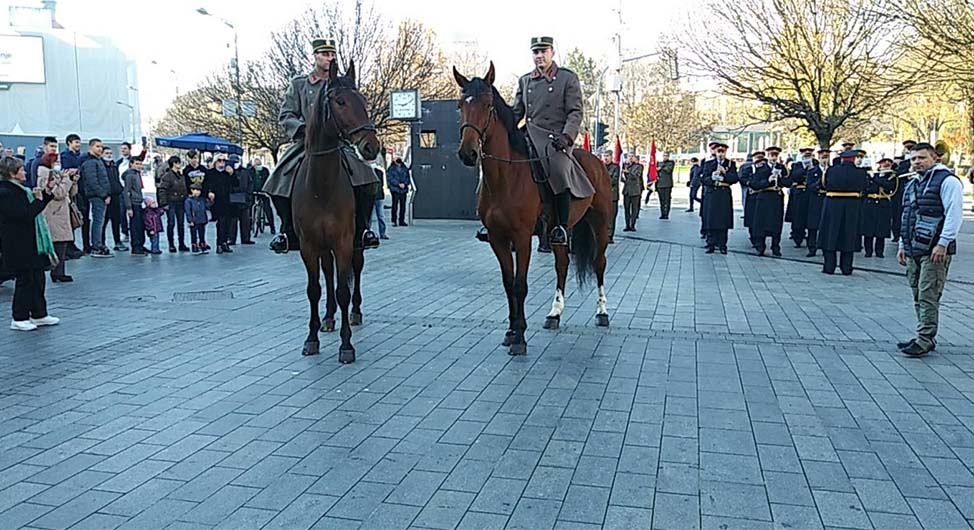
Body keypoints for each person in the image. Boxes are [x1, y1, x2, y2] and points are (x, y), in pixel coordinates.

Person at [264, 38, 380, 253]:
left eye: (332, 54)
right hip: (306, 144)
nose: (329, 58)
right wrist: (301, 129)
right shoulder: (299, 84)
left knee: (369, 179)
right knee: (277, 181)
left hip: (339, 143)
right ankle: (287, 230)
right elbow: (286, 114)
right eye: (325, 54)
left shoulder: (341, 84)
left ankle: (363, 229)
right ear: (315, 56)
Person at [509, 36, 593, 247]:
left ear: (552, 52)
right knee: (502, 162)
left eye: (543, 51)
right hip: (529, 134)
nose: (539, 56)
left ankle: (562, 226)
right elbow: (516, 112)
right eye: (535, 52)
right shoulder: (525, 80)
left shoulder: (567, 78)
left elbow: (575, 111)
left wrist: (566, 137)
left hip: (556, 138)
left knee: (559, 170)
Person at [896, 142, 964, 357]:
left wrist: (943, 242)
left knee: (928, 293)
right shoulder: (913, 182)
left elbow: (954, 214)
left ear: (935, 158)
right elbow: (907, 215)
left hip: (934, 248)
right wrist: (901, 245)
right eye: (914, 159)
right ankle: (924, 334)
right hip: (913, 247)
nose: (917, 162)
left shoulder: (948, 181)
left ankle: (925, 338)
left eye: (922, 158)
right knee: (917, 291)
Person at [0, 157, 60, 331]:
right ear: (12, 173)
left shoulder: (22, 190)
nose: (25, 172)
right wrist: (39, 201)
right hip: (18, 243)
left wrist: (46, 194)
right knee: (25, 280)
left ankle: (39, 313)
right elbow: (25, 214)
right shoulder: (6, 192)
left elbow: (33, 208)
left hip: (33, 242)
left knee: (38, 278)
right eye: (21, 170)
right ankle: (19, 317)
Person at [819, 149, 867, 275]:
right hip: (852, 205)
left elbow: (823, 184)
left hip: (833, 204)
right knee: (849, 235)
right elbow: (865, 187)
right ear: (854, 159)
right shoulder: (861, 172)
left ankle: (829, 266)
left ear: (841, 159)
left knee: (830, 234)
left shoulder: (831, 170)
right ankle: (846, 267)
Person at [36, 152, 76, 283]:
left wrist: (73, 181)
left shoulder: (54, 173)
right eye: (56, 161)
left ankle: (59, 271)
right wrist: (65, 179)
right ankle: (56, 271)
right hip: (55, 213)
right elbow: (58, 193)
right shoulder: (46, 174)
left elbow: (70, 193)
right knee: (59, 242)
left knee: (61, 243)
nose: (59, 164)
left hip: (60, 212)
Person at [700, 143, 739, 254]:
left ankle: (722, 245)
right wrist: (712, 177)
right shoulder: (708, 164)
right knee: (711, 219)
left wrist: (724, 173)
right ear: (715, 152)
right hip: (712, 193)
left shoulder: (730, 164)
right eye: (719, 152)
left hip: (723, 194)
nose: (721, 154)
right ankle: (710, 243)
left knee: (723, 220)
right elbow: (703, 179)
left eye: (723, 152)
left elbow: (735, 178)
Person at [79, 139, 113, 258]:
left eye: (101, 147)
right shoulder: (89, 162)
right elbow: (93, 181)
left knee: (100, 220)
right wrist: (104, 194)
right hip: (97, 196)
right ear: (91, 147)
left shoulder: (97, 161)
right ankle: (96, 246)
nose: (100, 149)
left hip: (101, 195)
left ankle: (98, 244)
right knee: (98, 221)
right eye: (97, 146)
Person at [860, 158, 897, 258]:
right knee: (869, 229)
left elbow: (890, 187)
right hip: (870, 202)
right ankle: (868, 251)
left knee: (881, 229)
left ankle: (879, 251)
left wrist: (875, 179)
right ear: (880, 166)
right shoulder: (872, 175)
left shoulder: (892, 177)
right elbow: (868, 188)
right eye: (884, 166)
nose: (886, 168)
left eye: (888, 166)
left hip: (883, 203)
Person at [203, 155, 235, 254]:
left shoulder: (227, 173)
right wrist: (208, 193)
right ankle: (219, 243)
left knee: (228, 222)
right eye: (220, 160)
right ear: (215, 161)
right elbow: (205, 186)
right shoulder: (210, 173)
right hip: (216, 201)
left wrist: (232, 174)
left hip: (228, 200)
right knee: (221, 222)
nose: (222, 162)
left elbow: (235, 184)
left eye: (224, 160)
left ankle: (225, 242)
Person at [158, 155, 189, 253]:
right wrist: (164, 203)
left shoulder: (181, 175)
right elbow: (162, 190)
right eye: (179, 163)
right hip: (171, 202)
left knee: (181, 224)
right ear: (174, 164)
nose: (180, 165)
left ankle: (181, 243)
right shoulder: (167, 176)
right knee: (171, 223)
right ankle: (171, 244)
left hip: (180, 202)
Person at [785, 148, 814, 248]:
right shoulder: (796, 165)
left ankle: (812, 240)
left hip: (811, 193)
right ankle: (798, 238)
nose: (807, 158)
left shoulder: (815, 163)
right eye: (805, 156)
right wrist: (805, 169)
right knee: (798, 217)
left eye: (809, 156)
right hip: (799, 194)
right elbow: (794, 176)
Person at [803, 149, 829, 257]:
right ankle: (811, 248)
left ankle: (825, 247)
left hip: (827, 199)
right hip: (815, 199)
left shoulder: (832, 170)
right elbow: (809, 186)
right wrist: (819, 183)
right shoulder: (812, 171)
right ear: (818, 159)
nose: (825, 160)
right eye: (823, 158)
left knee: (826, 226)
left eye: (826, 158)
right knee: (813, 226)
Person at [122, 156, 149, 256]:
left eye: (140, 164)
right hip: (134, 203)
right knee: (135, 226)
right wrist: (129, 207)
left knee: (140, 226)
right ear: (131, 164)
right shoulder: (130, 175)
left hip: (139, 202)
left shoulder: (137, 174)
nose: (139, 166)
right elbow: (126, 191)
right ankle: (136, 246)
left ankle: (141, 245)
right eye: (137, 164)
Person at [891, 140, 917, 242]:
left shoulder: (915, 161)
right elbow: (897, 174)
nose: (908, 150)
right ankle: (897, 234)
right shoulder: (901, 161)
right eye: (907, 148)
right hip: (901, 192)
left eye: (910, 148)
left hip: (914, 189)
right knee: (898, 214)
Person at [226, 155, 254, 246]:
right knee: (232, 221)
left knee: (245, 220)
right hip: (232, 200)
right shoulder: (228, 173)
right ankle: (232, 238)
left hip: (244, 199)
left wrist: (248, 195)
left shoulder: (245, 171)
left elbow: (250, 183)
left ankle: (246, 238)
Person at [251, 157, 275, 235]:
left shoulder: (265, 171)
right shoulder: (250, 171)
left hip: (264, 191)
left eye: (259, 164)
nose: (258, 166)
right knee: (250, 206)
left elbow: (268, 180)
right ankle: (251, 224)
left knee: (267, 208)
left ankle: (272, 226)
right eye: (256, 164)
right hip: (253, 191)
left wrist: (267, 191)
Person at [185, 183, 211, 254]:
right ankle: (194, 245)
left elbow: (207, 206)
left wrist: (210, 200)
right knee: (193, 234)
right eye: (195, 190)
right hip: (194, 220)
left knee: (202, 233)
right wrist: (190, 220)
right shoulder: (189, 200)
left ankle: (202, 244)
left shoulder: (202, 199)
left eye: (199, 190)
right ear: (192, 190)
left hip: (202, 219)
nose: (197, 192)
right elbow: (188, 211)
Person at [622, 153, 644, 232]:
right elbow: (624, 178)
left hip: (635, 191)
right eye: (629, 156)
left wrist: (628, 172)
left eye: (632, 157)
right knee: (626, 209)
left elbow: (636, 175)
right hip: (627, 191)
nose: (630, 158)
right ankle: (627, 225)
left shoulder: (639, 166)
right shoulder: (626, 166)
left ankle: (632, 225)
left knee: (634, 209)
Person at [387, 157, 411, 227]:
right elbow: (390, 178)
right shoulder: (391, 169)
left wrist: (405, 184)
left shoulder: (404, 168)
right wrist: (398, 184)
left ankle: (401, 220)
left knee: (403, 206)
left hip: (403, 190)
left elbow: (408, 177)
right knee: (395, 206)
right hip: (395, 190)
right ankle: (394, 220)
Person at [602, 151, 620, 243]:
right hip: (602, 196)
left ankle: (610, 235)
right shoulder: (601, 166)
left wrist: (601, 179)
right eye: (604, 156)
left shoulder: (615, 167)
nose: (606, 158)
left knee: (611, 217)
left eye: (607, 156)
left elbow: (613, 180)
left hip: (612, 196)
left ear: (611, 157)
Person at [656, 152, 675, 219]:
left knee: (667, 199)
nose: (665, 157)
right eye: (664, 156)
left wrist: (661, 168)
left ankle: (666, 214)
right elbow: (656, 171)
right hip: (660, 184)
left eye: (666, 156)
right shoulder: (659, 163)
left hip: (667, 184)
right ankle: (662, 213)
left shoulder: (671, 163)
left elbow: (668, 170)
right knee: (661, 200)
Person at [372, 164, 388, 240]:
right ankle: (368, 232)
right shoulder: (367, 171)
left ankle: (383, 233)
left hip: (379, 196)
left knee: (381, 215)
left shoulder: (379, 172)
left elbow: (381, 184)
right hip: (371, 196)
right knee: (369, 216)